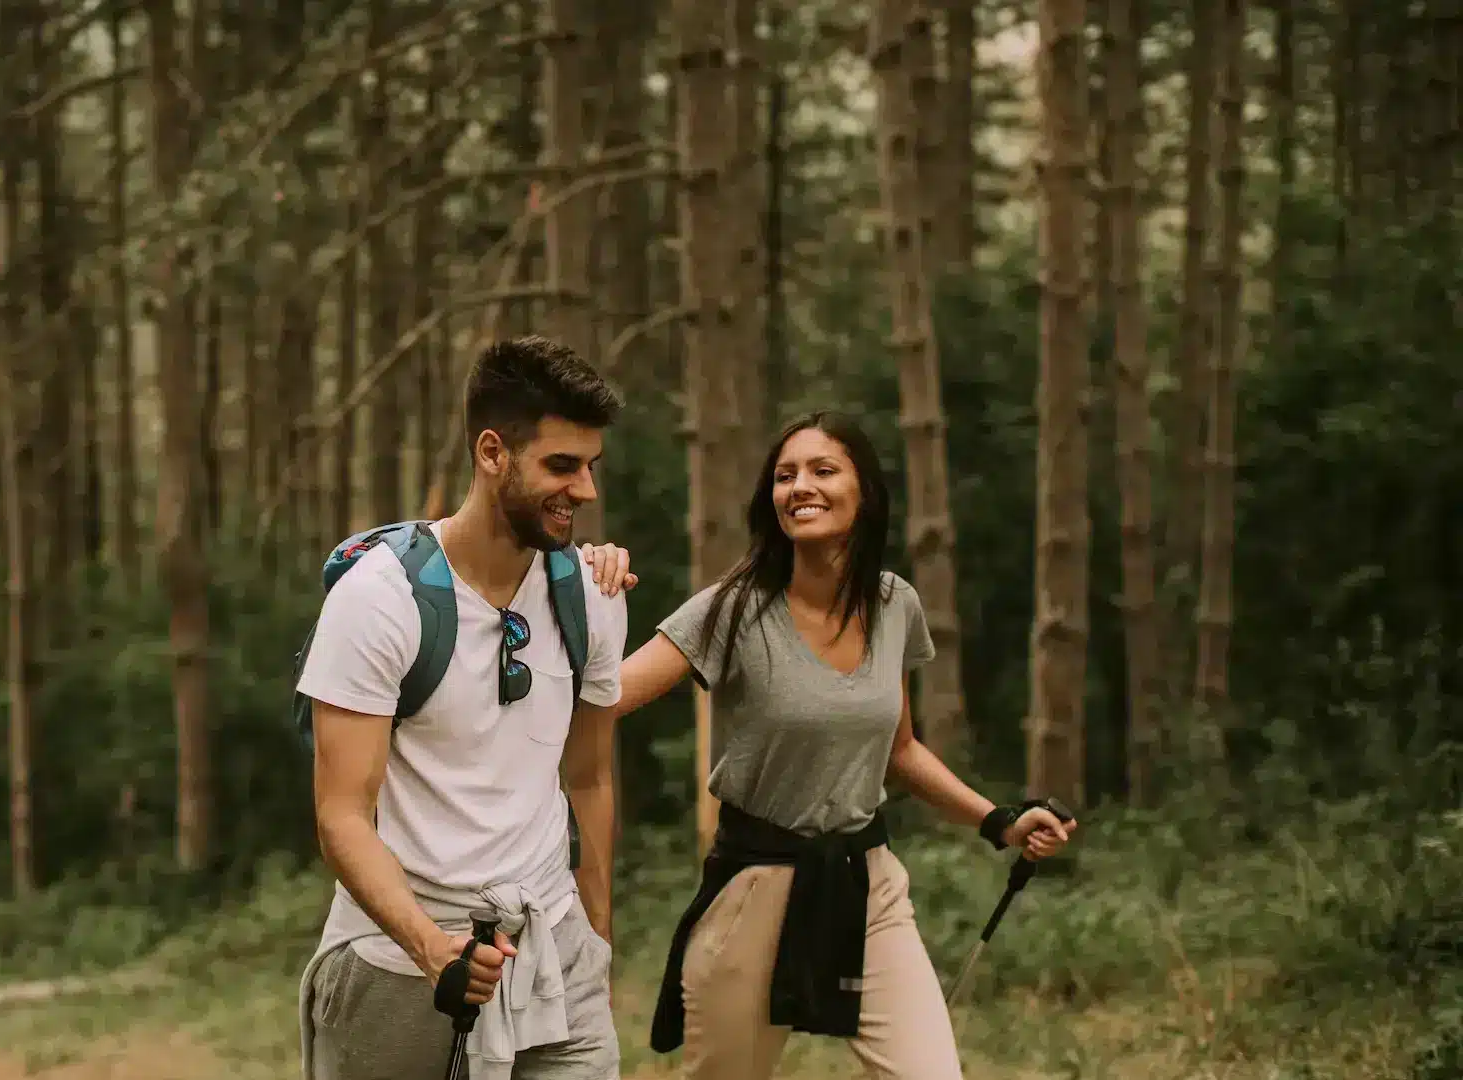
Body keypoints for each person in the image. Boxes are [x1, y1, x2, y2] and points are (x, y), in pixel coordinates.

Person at [579, 410, 1077, 1080]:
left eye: (821, 470)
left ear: (863, 491)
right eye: (784, 476)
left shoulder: (894, 604)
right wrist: (578, 591)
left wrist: (999, 820)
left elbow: (900, 750)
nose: (799, 487)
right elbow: (604, 699)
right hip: (754, 888)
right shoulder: (730, 609)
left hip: (866, 886)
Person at [295, 336, 637, 1080]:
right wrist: (431, 948)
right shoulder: (380, 600)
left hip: (555, 957)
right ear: (491, 453)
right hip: (400, 965)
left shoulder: (593, 598)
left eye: (589, 467)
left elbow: (589, 780)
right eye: (561, 466)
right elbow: (340, 814)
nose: (585, 491)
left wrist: (596, 939)